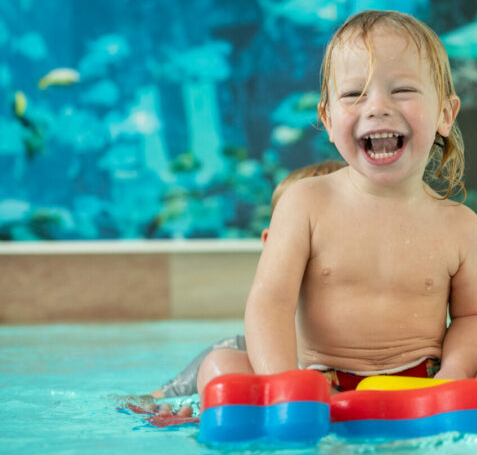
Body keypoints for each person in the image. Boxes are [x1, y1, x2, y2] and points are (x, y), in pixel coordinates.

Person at [194, 9, 477, 398]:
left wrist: (453, 373)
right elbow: (270, 301)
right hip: (320, 384)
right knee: (221, 366)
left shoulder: (460, 225)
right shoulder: (305, 203)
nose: (377, 107)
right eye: (355, 94)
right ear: (327, 118)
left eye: (402, 90)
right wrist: (283, 382)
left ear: (444, 113)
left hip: (421, 384)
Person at [139, 159, 346, 416]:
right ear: (272, 243)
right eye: (306, 235)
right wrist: (161, 414)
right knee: (223, 368)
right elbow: (136, 405)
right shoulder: (237, 354)